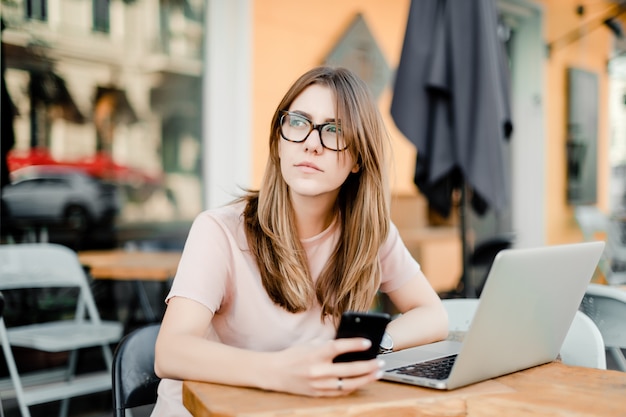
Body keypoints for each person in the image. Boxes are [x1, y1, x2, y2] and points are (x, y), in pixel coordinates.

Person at [152, 66, 448, 415]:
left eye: (334, 130)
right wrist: (281, 372)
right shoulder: (220, 231)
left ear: (357, 159)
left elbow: (433, 315)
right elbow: (169, 352)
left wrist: (368, 346)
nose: (311, 142)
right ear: (278, 142)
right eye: (298, 122)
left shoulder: (371, 233)